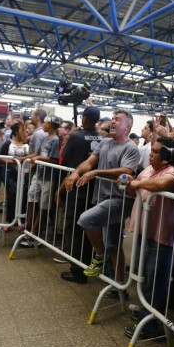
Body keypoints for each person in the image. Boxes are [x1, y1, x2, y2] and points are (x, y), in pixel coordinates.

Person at [65, 109, 140, 285]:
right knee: (114, 244)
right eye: (112, 118)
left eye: (118, 119)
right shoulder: (105, 142)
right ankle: (119, 284)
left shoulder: (131, 148)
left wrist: (96, 172)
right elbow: (89, 162)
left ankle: (99, 257)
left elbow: (126, 171)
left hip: (119, 200)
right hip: (102, 197)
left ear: (127, 126)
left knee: (86, 219)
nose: (112, 122)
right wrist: (76, 172)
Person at [122, 137, 174, 340]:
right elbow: (135, 189)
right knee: (144, 275)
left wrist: (134, 182)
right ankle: (145, 311)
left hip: (162, 234)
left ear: (167, 156)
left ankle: (151, 325)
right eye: (152, 151)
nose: (151, 154)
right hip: (145, 229)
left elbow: (162, 184)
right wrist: (129, 184)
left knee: (156, 278)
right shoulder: (148, 169)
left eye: (156, 152)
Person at [59, 107, 102, 284]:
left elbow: (65, 155)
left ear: (83, 119)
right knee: (89, 229)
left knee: (74, 228)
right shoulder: (102, 138)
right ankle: (89, 265)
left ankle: (77, 269)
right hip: (94, 188)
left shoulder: (76, 136)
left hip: (76, 186)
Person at [21, 115, 62, 247]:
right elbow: (36, 154)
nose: (43, 125)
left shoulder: (55, 140)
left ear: (51, 125)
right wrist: (24, 158)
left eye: (45, 123)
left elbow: (54, 159)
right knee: (31, 198)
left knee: (44, 206)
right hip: (38, 174)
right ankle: (29, 224)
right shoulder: (45, 138)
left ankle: (35, 232)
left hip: (48, 178)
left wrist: (39, 158)